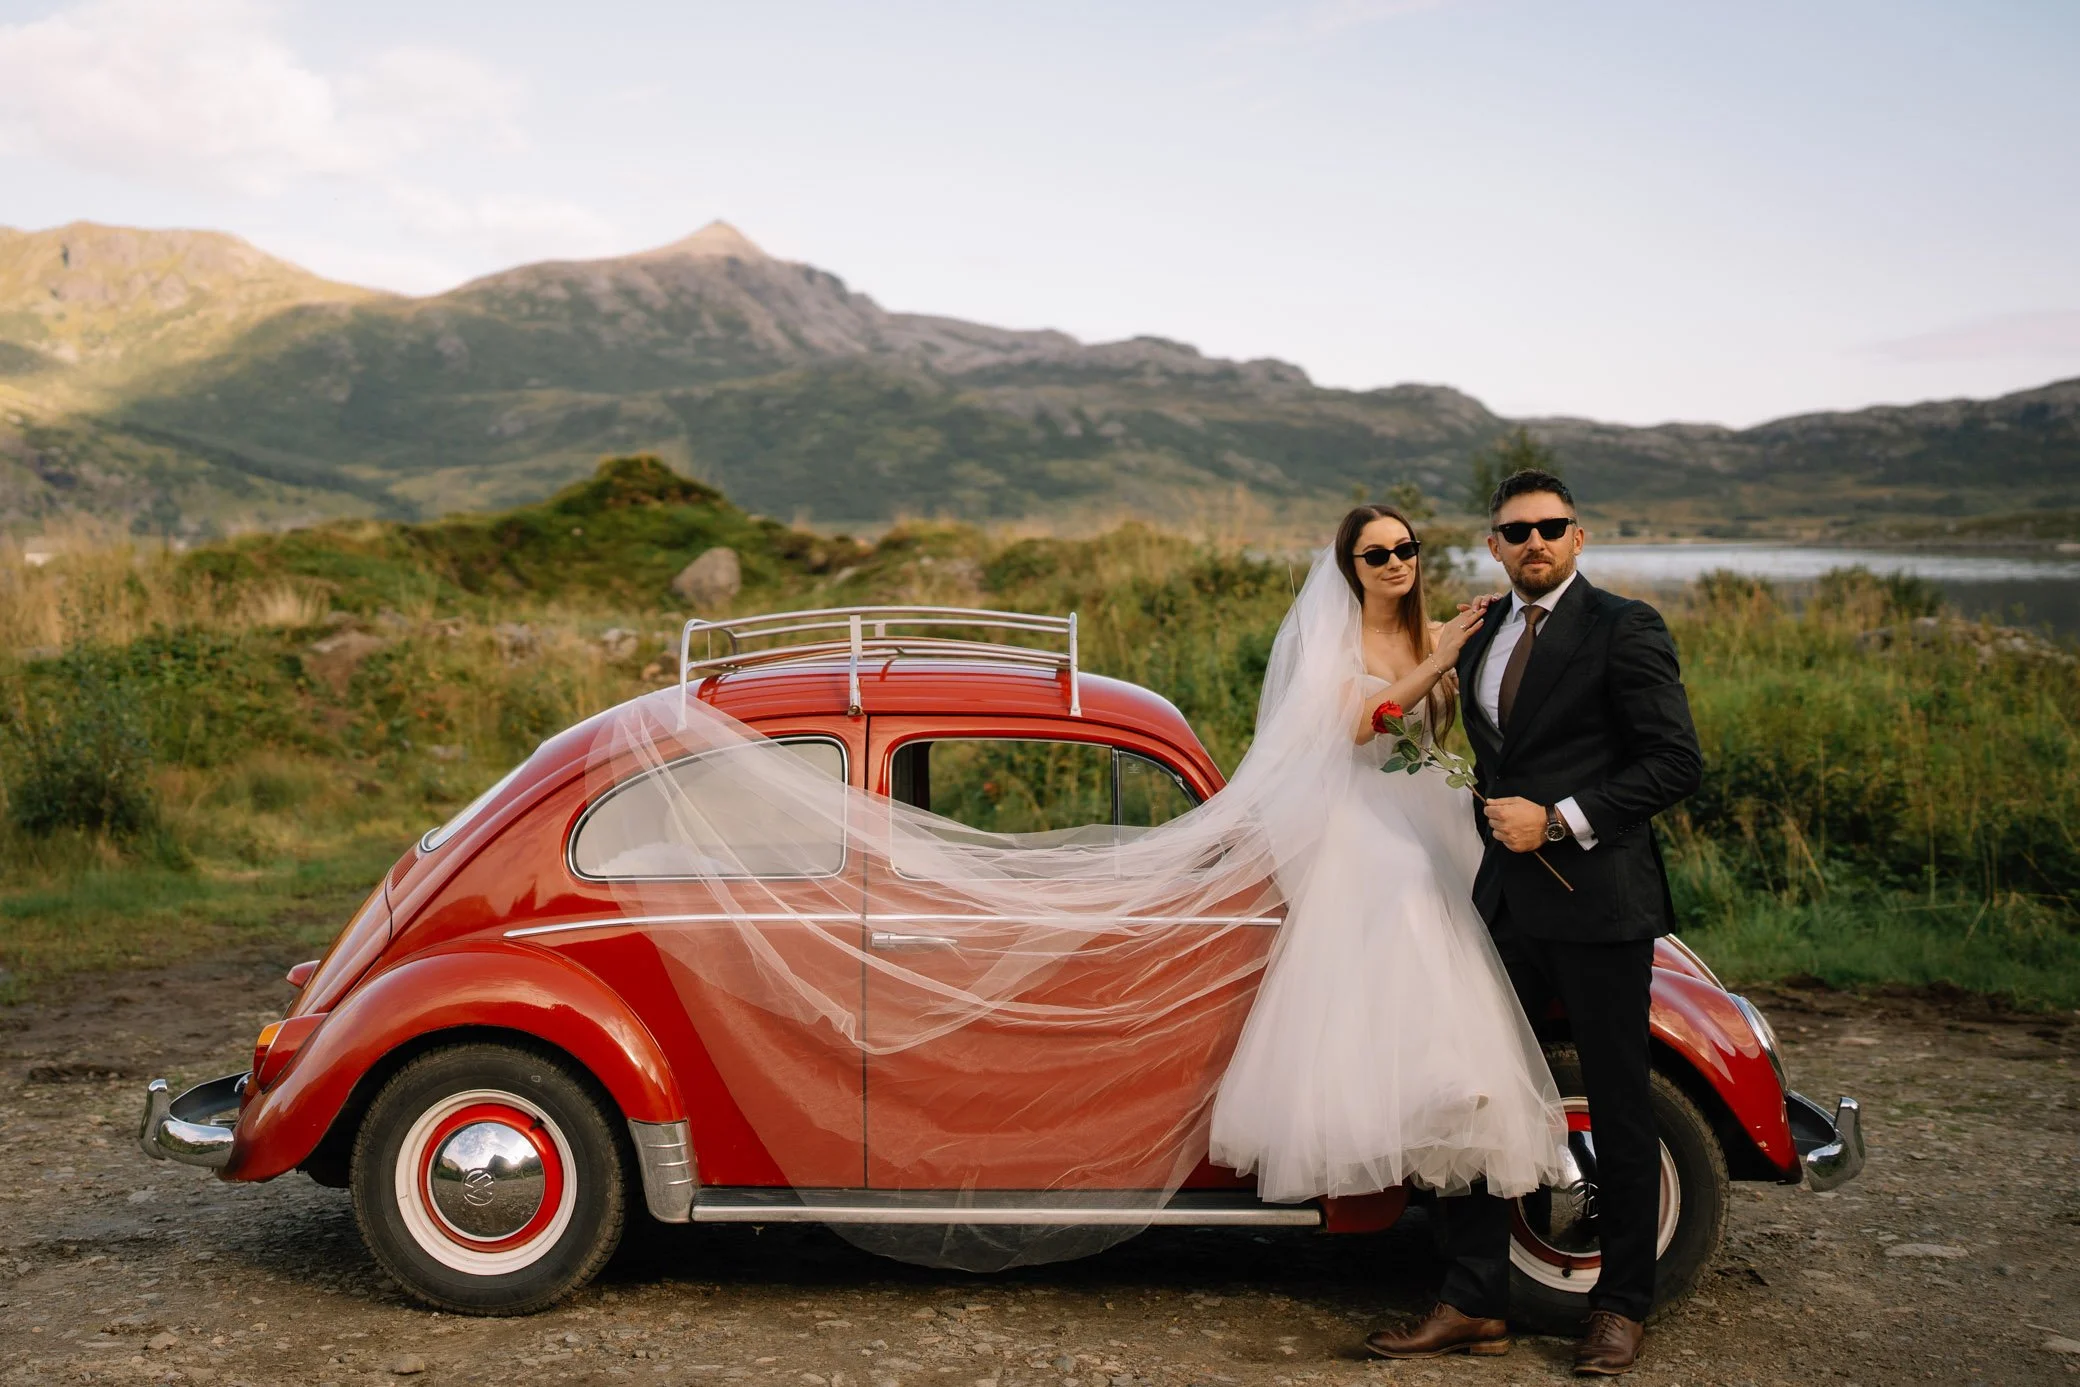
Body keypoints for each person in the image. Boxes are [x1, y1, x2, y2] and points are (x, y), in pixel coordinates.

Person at [1364, 469, 1703, 1376]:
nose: (1534, 543)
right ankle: (1475, 1297)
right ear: (1494, 547)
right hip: (1501, 905)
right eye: (1515, 532)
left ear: (1579, 536)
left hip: (1601, 907)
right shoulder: (1480, 636)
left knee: (1619, 1106)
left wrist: (1559, 819)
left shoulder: (1625, 626)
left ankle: (1622, 1304)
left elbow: (1675, 761)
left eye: (1550, 527)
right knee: (1473, 1088)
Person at [1208, 502, 1566, 1218]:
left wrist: (1473, 649)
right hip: (1359, 810)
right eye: (1378, 554)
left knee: (1472, 909)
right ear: (1352, 569)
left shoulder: (1434, 633)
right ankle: (1434, 1080)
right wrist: (1438, 661)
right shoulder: (1337, 643)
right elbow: (1355, 725)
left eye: (1407, 547)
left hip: (1430, 802)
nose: (1398, 561)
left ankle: (1463, 1087)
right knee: (1406, 880)